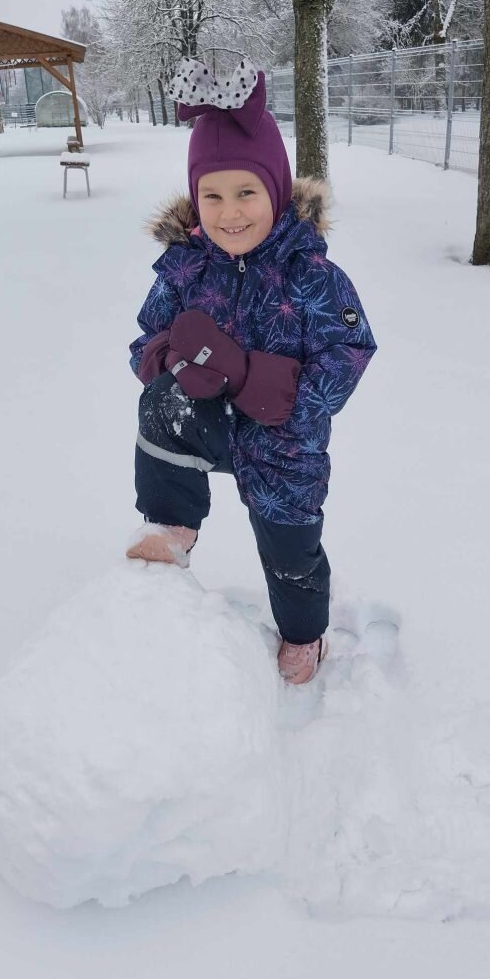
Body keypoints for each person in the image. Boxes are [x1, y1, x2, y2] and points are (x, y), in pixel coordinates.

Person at [127, 57, 376, 685]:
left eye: (246, 193)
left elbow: (350, 349)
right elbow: (144, 341)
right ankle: (172, 523)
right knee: (162, 403)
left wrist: (277, 390)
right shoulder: (186, 267)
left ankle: (304, 634)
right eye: (212, 195)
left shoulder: (312, 273)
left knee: (291, 555)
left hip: (285, 447)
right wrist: (175, 361)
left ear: (277, 191)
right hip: (209, 425)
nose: (229, 212)